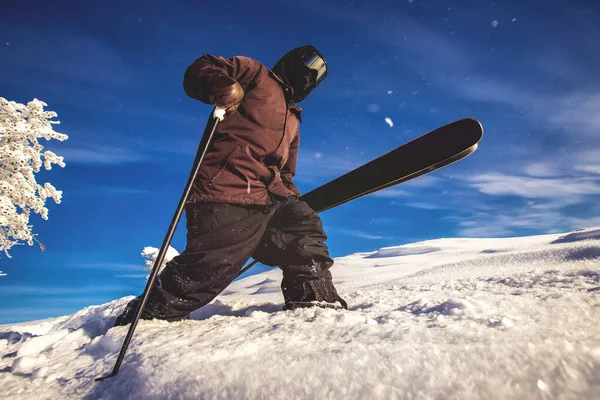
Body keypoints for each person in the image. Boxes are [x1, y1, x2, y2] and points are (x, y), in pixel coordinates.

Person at [114, 45, 346, 326]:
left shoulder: (293, 117)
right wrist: (221, 84)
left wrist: (292, 199)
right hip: (226, 191)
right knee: (207, 271)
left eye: (320, 73)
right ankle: (147, 315)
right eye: (310, 63)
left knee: (305, 230)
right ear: (293, 60)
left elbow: (285, 171)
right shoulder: (256, 74)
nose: (312, 73)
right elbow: (203, 66)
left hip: (270, 198)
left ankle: (314, 303)